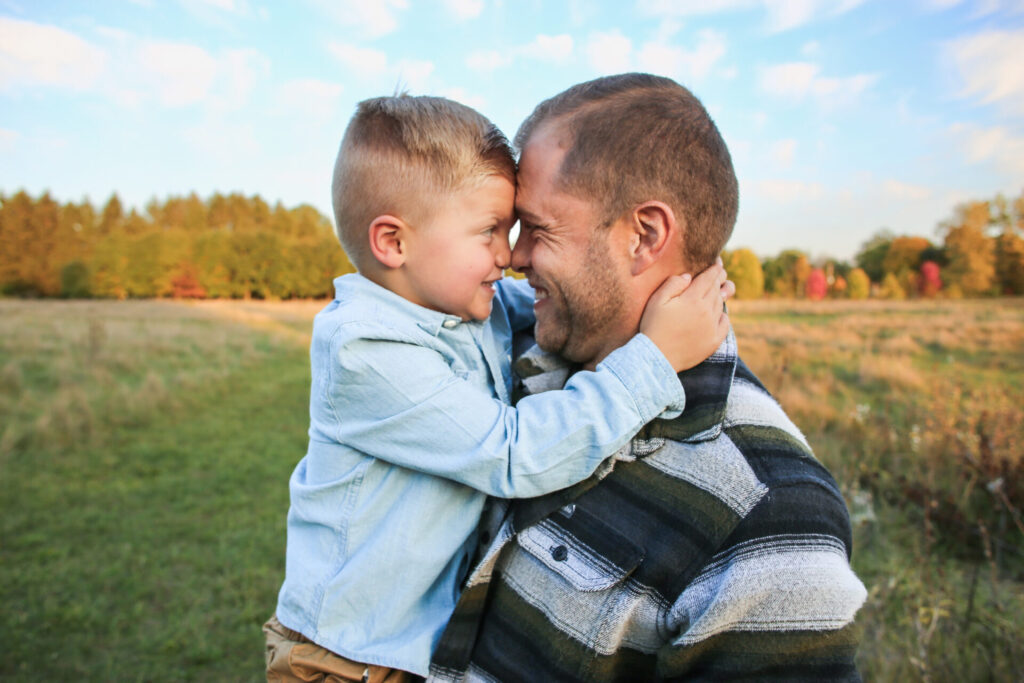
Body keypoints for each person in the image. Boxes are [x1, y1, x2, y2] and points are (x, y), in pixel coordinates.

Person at [264, 94, 734, 682]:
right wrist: (655, 358)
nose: (508, 255)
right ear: (393, 243)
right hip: (341, 659)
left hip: (397, 654)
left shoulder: (460, 306)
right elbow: (514, 452)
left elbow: (564, 306)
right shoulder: (366, 350)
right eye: (489, 231)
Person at [428, 73, 868, 682]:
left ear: (644, 236)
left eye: (538, 227)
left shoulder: (770, 515)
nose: (514, 256)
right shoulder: (505, 351)